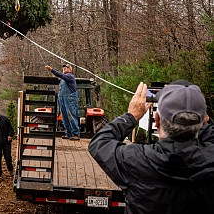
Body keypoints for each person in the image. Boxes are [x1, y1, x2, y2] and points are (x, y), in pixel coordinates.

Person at [88, 81, 214, 214]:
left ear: (157, 120)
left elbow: (100, 143)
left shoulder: (138, 160)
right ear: (203, 121)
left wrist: (131, 116)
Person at [45, 64, 79, 140]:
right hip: (62, 99)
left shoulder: (70, 76)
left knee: (71, 116)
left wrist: (51, 70)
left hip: (70, 99)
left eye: (66, 67)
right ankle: (68, 133)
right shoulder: (63, 79)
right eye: (63, 68)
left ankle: (75, 134)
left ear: (70, 69)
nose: (64, 69)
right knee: (64, 117)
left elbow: (60, 75)